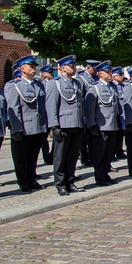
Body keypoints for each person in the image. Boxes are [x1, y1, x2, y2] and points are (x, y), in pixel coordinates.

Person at [5, 54, 48, 192]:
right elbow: (14, 108)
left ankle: (31, 178)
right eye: (31, 66)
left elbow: (42, 107)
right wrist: (16, 129)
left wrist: (44, 126)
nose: (34, 69)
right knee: (20, 157)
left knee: (33, 155)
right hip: (23, 127)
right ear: (22, 68)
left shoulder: (39, 85)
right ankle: (23, 181)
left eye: (35, 66)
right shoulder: (15, 86)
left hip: (38, 126)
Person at [45, 55, 87, 196]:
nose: (74, 68)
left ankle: (70, 181)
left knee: (72, 156)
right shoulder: (54, 84)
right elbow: (51, 106)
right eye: (71, 65)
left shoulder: (76, 84)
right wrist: (54, 126)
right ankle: (61, 184)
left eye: (74, 65)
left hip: (76, 124)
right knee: (60, 157)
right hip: (63, 125)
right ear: (62, 68)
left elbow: (79, 105)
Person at [84, 61, 122, 185]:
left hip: (112, 125)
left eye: (110, 71)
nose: (110, 74)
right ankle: (99, 177)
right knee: (99, 153)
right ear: (100, 73)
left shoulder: (113, 87)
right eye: (108, 72)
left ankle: (105, 174)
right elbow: (89, 108)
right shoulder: (94, 88)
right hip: (101, 126)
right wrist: (91, 124)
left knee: (108, 153)